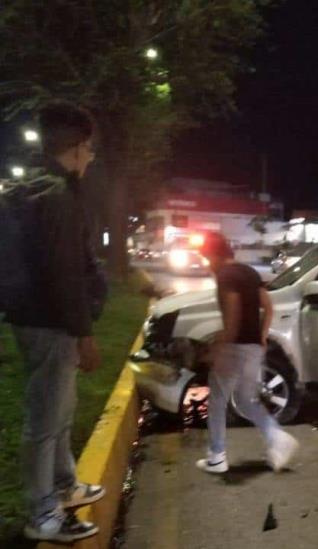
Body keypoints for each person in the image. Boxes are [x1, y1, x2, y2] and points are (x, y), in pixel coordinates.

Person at [6, 100, 104, 543]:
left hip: (34, 319)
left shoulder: (34, 189)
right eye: (90, 150)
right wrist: (84, 335)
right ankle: (42, 512)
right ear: (79, 148)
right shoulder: (59, 198)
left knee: (59, 412)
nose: (91, 159)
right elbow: (66, 275)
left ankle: (65, 485)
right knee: (46, 421)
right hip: (54, 325)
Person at [197, 232, 299, 474]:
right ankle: (277, 437)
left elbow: (232, 319)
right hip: (253, 347)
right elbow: (268, 306)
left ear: (214, 255)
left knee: (218, 401)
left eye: (206, 257)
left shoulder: (225, 276)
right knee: (245, 400)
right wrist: (262, 336)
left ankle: (217, 456)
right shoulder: (249, 272)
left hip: (235, 348)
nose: (206, 263)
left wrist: (219, 350)